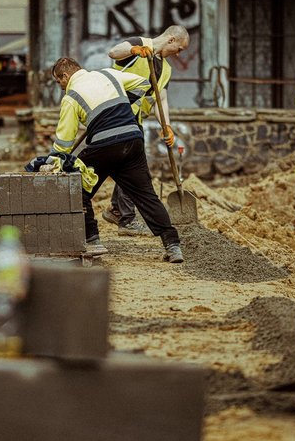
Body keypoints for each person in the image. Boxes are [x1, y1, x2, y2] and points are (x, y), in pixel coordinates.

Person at [50, 57, 184, 263]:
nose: (60, 86)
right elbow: (144, 84)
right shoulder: (108, 74)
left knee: (76, 188)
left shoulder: (71, 97)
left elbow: (64, 141)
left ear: (65, 76)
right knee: (146, 196)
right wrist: (122, 105)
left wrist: (53, 161)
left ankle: (92, 241)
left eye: (58, 81)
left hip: (104, 146)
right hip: (132, 140)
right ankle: (173, 245)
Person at [102, 25, 190, 236]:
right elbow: (113, 52)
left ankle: (117, 209)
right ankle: (127, 219)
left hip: (133, 118)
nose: (178, 53)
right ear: (171, 40)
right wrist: (133, 51)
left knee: (129, 165)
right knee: (132, 166)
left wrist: (166, 126)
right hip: (115, 112)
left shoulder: (166, 69)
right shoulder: (139, 43)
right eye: (179, 48)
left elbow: (162, 99)